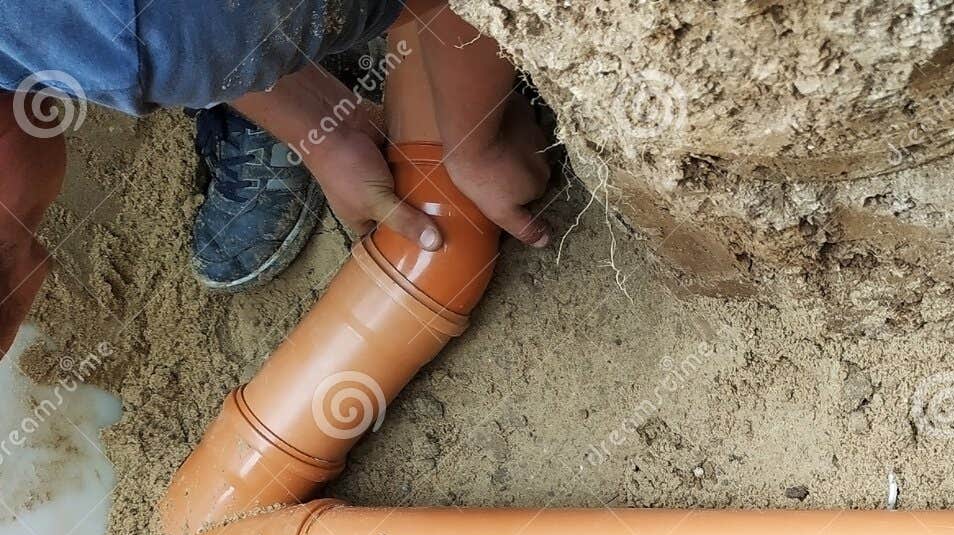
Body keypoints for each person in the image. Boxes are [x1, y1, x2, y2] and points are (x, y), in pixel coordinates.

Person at [0, 0, 551, 358]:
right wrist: (321, 130)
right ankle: (257, 52)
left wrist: (477, 142)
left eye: (23, 227)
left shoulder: (149, 33)